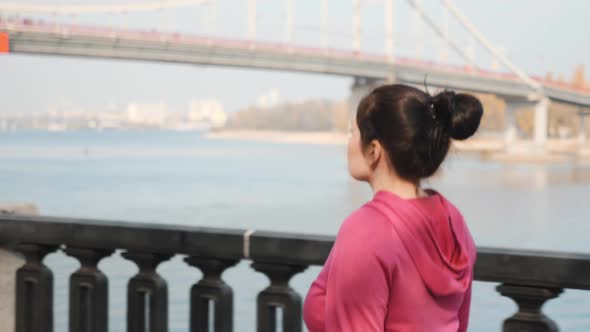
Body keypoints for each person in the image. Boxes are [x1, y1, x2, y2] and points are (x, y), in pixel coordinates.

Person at [303, 84, 483, 332]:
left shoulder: (366, 232)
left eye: (351, 133)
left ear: (374, 151)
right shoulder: (453, 220)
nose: (348, 142)